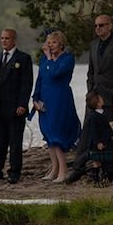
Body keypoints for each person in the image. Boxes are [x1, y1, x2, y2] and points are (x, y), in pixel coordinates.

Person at [65, 14, 113, 183]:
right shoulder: (94, 45)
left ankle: (110, 172)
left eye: (101, 25)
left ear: (110, 26)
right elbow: (91, 72)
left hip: (112, 99)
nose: (98, 28)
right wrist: (89, 93)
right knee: (87, 134)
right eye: (96, 26)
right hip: (94, 98)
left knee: (112, 135)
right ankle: (78, 168)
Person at [0, 28, 35, 184]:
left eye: (7, 38)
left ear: (14, 40)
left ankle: (14, 172)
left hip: (16, 108)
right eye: (2, 38)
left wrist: (23, 104)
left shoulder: (23, 59)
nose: (4, 41)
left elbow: (27, 83)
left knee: (15, 142)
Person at [31, 29, 81, 183]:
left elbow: (55, 74)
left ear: (61, 44)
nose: (50, 45)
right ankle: (54, 169)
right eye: (48, 42)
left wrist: (49, 57)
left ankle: (64, 171)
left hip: (59, 98)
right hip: (45, 99)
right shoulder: (44, 60)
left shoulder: (67, 59)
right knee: (48, 134)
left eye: (53, 42)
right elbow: (40, 79)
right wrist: (35, 98)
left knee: (57, 133)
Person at [82, 91, 113, 184]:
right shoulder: (94, 116)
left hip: (105, 140)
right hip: (98, 143)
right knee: (96, 161)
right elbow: (94, 131)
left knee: (105, 160)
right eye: (101, 99)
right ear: (97, 103)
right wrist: (98, 142)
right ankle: (96, 179)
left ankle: (105, 178)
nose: (103, 100)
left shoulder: (102, 113)